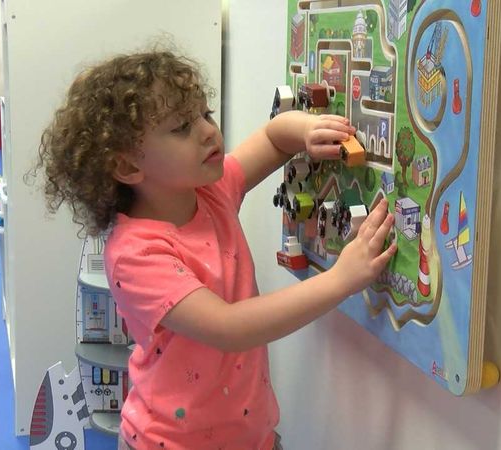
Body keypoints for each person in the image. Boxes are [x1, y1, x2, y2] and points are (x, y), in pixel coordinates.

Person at [32, 48, 396, 450]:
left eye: (206, 115)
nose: (208, 131)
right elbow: (229, 328)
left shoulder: (211, 192)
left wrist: (306, 130)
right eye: (182, 127)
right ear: (128, 168)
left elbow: (274, 138)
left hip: (251, 434)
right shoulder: (136, 254)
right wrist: (341, 280)